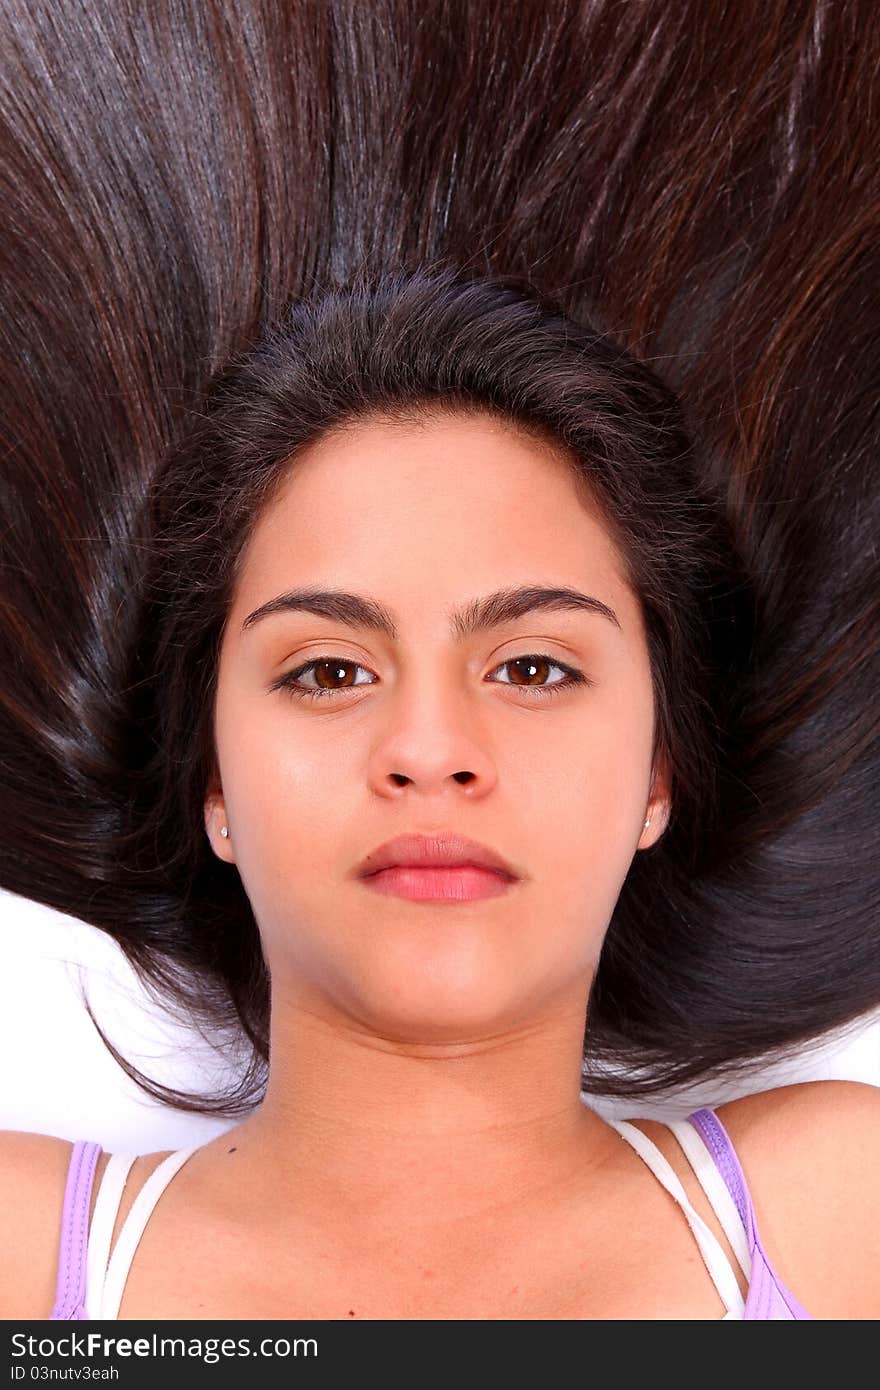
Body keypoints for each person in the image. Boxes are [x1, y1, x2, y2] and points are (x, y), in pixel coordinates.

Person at [1, 266, 877, 1320]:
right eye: (328, 670)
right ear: (213, 782)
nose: (428, 749)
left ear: (658, 773)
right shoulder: (22, 1249)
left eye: (533, 668)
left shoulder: (833, 1215)